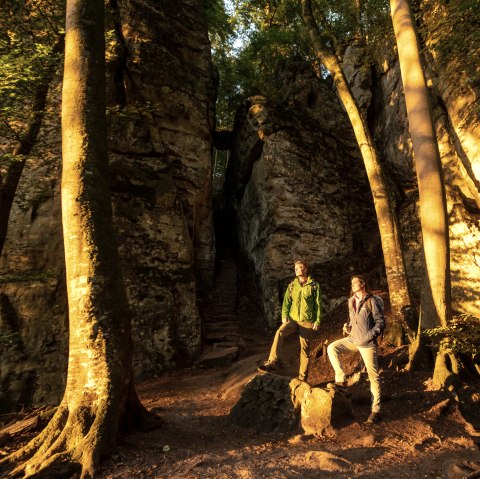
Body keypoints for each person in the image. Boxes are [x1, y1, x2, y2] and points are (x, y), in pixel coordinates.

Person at [327, 275, 385, 425]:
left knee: (373, 376)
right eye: (351, 283)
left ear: (363, 284)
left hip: (367, 343)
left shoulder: (371, 301)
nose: (352, 285)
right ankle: (341, 380)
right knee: (332, 348)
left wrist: (368, 336)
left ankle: (376, 410)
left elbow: (380, 323)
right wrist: (348, 327)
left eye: (355, 282)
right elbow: (353, 320)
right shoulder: (351, 301)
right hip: (353, 339)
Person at [258, 260, 321, 382]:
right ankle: (272, 362)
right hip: (292, 319)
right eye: (296, 268)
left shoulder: (314, 286)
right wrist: (284, 315)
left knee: (305, 350)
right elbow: (286, 302)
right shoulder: (292, 285)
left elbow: (318, 305)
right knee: (280, 332)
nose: (298, 269)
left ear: (306, 269)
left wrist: (317, 321)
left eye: (301, 267)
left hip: (307, 321)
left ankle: (303, 378)